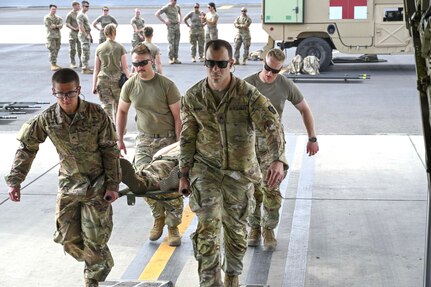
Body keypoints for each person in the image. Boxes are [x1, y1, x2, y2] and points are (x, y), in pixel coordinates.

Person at [179, 39, 287, 287]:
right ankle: (210, 281)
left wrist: (278, 159)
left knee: (237, 234)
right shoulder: (194, 97)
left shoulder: (248, 95)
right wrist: (183, 173)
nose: (215, 69)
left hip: (240, 174)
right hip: (205, 171)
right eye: (210, 63)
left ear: (231, 64)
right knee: (207, 229)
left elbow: (272, 127)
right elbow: (187, 136)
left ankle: (232, 277)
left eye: (221, 64)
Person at [4, 68, 121, 287]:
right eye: (61, 94)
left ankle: (92, 278)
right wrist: (15, 180)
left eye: (70, 93)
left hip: (97, 186)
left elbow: (110, 150)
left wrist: (113, 185)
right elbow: (27, 148)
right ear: (53, 92)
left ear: (79, 90)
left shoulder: (96, 114)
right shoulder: (47, 118)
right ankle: (99, 261)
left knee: (95, 239)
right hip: (69, 186)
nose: (66, 99)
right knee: (66, 239)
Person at [244, 48, 319, 251]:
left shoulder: (285, 85)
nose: (269, 74)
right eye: (267, 68)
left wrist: (312, 138)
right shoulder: (247, 83)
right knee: (251, 189)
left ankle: (268, 228)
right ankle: (254, 228)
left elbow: (305, 109)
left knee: (271, 187)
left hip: (273, 143)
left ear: (281, 69)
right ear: (263, 63)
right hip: (249, 143)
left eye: (275, 71)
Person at [116, 43, 183, 247]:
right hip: (144, 140)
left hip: (168, 140)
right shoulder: (130, 85)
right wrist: (119, 139)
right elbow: (122, 111)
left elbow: (178, 117)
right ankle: (158, 217)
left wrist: (180, 145)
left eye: (143, 63)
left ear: (151, 61)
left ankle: (172, 226)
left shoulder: (166, 85)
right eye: (135, 64)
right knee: (140, 180)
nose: (139, 67)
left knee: (170, 185)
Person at [92, 24, 130, 123]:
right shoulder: (120, 47)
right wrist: (129, 80)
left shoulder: (99, 48)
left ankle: (110, 128)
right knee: (119, 106)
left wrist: (94, 85)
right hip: (117, 81)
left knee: (106, 106)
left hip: (103, 79)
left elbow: (96, 69)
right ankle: (120, 130)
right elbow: (125, 67)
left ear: (105, 33)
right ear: (114, 33)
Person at [155, 0, 182, 64]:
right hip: (171, 26)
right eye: (173, 0)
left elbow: (180, 13)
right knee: (171, 43)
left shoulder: (177, 6)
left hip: (177, 26)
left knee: (176, 43)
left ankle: (176, 58)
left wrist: (180, 21)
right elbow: (157, 14)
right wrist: (165, 21)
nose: (174, 1)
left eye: (175, 0)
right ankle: (170, 58)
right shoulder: (166, 7)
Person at [44, 4, 63, 71]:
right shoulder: (47, 17)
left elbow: (61, 25)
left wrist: (56, 26)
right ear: (50, 9)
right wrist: (57, 26)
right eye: (52, 9)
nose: (54, 10)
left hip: (57, 36)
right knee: (52, 50)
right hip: (51, 37)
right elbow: (50, 26)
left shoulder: (58, 18)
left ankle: (55, 63)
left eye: (55, 9)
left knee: (57, 49)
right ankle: (52, 64)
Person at [77, 1, 93, 74]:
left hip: (87, 34)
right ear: (82, 6)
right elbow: (81, 26)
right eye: (86, 6)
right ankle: (84, 68)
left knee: (87, 52)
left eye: (88, 6)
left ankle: (86, 67)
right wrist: (86, 35)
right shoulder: (80, 15)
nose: (88, 8)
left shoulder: (84, 15)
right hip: (84, 35)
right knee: (85, 51)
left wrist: (89, 35)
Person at [66, 1, 82, 69]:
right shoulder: (70, 14)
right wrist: (74, 28)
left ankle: (82, 62)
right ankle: (72, 62)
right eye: (78, 6)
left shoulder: (80, 13)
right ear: (74, 6)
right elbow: (67, 23)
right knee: (72, 49)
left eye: (79, 6)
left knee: (80, 49)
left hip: (80, 33)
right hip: (73, 33)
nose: (79, 7)